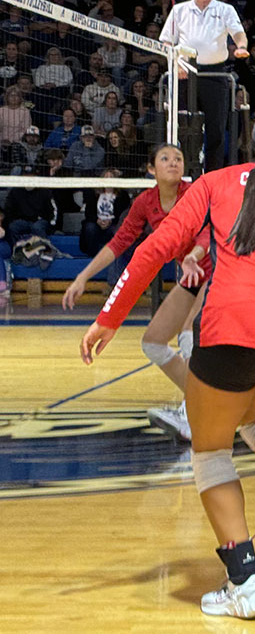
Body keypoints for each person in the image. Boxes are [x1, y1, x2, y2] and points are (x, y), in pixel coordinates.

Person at [79, 112, 255, 619]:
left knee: (210, 453)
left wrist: (109, 317)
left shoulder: (217, 183)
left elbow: (154, 249)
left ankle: (247, 584)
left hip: (232, 328)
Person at [64, 144, 210, 440]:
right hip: (191, 274)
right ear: (151, 169)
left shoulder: (193, 193)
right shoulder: (145, 202)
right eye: (165, 159)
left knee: (188, 333)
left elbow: (208, 232)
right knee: (153, 343)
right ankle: (209, 400)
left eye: (179, 159)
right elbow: (119, 243)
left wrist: (193, 255)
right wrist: (83, 276)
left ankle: (193, 415)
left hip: (216, 269)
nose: (174, 163)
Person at [160, 0, 249, 171]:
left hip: (214, 74)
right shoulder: (179, 10)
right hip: (183, 73)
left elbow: (238, 33)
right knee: (182, 126)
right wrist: (176, 63)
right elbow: (165, 42)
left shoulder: (225, 10)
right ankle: (182, 171)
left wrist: (242, 46)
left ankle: (213, 175)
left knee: (216, 128)